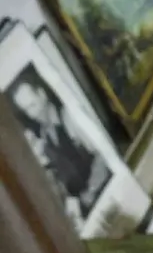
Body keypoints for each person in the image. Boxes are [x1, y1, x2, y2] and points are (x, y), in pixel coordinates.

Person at [8, 68, 110, 224]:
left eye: (32, 105)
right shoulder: (43, 138)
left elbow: (103, 156)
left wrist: (90, 192)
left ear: (42, 95)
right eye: (26, 111)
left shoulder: (69, 117)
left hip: (107, 195)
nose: (32, 115)